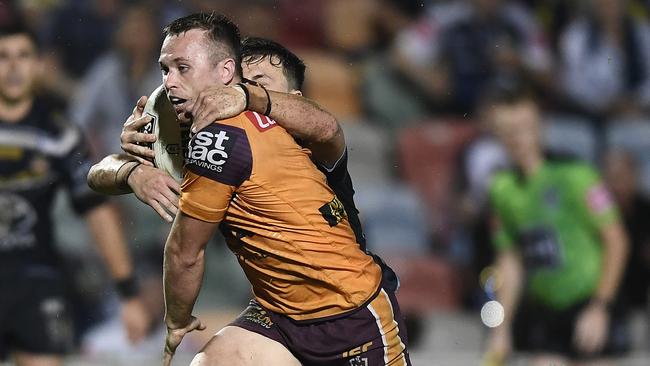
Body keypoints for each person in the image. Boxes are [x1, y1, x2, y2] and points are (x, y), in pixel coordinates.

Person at [89, 14, 409, 366]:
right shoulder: (210, 129)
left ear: (294, 98)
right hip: (276, 313)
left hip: (348, 312)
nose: (239, 96)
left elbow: (326, 125)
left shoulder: (312, 142)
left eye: (259, 85)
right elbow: (94, 174)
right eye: (244, 82)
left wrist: (245, 95)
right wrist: (132, 168)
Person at [0, 22, 150, 366]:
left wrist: (128, 294)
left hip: (35, 281)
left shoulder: (61, 135)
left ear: (39, 66)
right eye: (3, 56)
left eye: (22, 56)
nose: (12, 67)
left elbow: (97, 212)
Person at [482, 85, 629, 366]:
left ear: (539, 128)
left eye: (522, 128)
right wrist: (501, 327)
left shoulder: (576, 175)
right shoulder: (502, 188)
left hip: (592, 302)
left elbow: (616, 239)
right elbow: (510, 258)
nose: (516, 138)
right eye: (507, 130)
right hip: (548, 311)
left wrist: (600, 307)